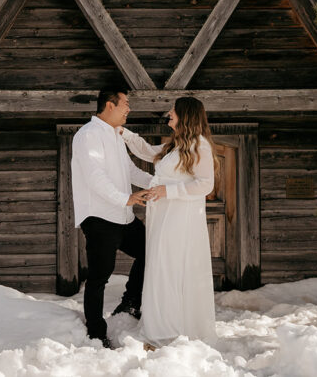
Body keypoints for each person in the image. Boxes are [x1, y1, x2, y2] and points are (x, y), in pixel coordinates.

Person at [120, 96, 216, 345]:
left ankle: (173, 329)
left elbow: (206, 184)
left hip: (180, 220)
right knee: (161, 267)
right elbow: (145, 151)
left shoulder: (200, 146)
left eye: (173, 110)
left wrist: (167, 191)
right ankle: (161, 324)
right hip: (163, 217)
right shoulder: (175, 146)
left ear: (186, 115)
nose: (169, 113)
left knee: (173, 267)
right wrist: (123, 133)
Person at [71, 88, 152, 348]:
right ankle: (96, 333)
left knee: (150, 249)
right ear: (109, 105)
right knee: (99, 276)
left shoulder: (116, 136)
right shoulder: (88, 135)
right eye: (125, 104)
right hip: (100, 217)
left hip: (124, 217)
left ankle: (130, 302)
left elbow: (130, 170)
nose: (129, 109)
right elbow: (95, 176)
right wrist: (124, 198)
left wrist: (160, 185)